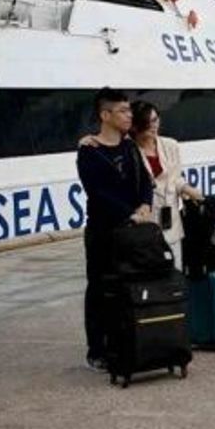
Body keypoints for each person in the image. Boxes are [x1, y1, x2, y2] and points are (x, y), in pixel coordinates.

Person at [76, 88, 154, 372]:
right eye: (122, 111)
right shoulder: (89, 151)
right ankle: (97, 349)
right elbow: (97, 192)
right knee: (99, 288)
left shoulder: (130, 147)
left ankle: (127, 340)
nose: (129, 116)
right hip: (103, 231)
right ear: (105, 115)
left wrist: (145, 204)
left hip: (134, 229)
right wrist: (129, 213)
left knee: (130, 285)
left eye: (129, 111)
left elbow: (145, 180)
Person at [128, 100, 203, 271]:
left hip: (170, 218)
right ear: (136, 126)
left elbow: (175, 178)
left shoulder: (170, 146)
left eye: (155, 120)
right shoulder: (129, 151)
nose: (153, 126)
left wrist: (187, 189)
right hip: (145, 221)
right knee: (151, 274)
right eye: (147, 123)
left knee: (175, 271)